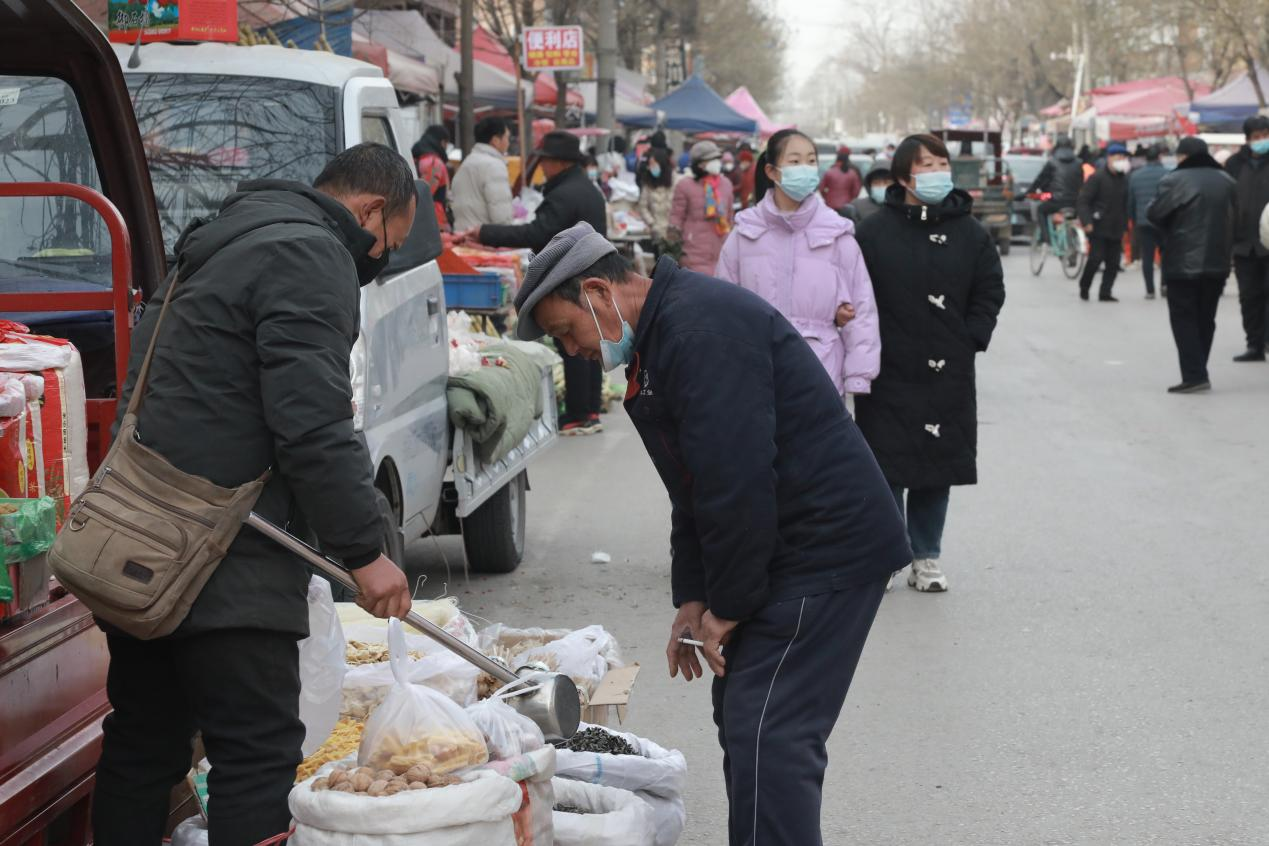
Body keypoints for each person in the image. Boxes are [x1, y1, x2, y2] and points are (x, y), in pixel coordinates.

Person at [510, 221, 911, 846]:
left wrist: (729, 604)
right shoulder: (664, 332)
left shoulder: (699, 330)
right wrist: (694, 597)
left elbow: (736, 481)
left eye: (568, 330)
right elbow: (692, 484)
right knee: (746, 717)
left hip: (825, 545)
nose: (573, 351)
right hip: (785, 539)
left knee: (770, 732)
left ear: (597, 290)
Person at [91, 143, 416, 846]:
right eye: (387, 243)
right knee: (257, 752)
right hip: (227, 550)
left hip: (142, 537)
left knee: (144, 742)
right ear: (371, 210)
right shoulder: (311, 255)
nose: (379, 258)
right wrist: (365, 552)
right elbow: (310, 422)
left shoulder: (220, 244)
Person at [854, 133, 1006, 593]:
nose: (938, 171)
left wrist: (970, 337)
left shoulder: (970, 231)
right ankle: (887, 554)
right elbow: (855, 291)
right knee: (885, 467)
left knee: (936, 467)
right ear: (904, 175)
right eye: (927, 164)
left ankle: (927, 556)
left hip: (947, 367)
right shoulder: (874, 230)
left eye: (942, 163)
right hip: (889, 368)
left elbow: (990, 289)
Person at [716, 128, 879, 399]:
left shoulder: (836, 233)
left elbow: (862, 308)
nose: (805, 168)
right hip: (757, 373)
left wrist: (859, 375)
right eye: (794, 161)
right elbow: (722, 308)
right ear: (771, 171)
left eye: (811, 161)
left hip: (821, 373)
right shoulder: (745, 233)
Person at [463, 130, 607, 435]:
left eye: (545, 162)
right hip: (589, 274)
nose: (542, 167)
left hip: (570, 278)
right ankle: (590, 408)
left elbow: (536, 233)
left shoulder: (564, 195)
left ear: (559, 163)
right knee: (590, 342)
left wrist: (486, 233)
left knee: (575, 344)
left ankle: (581, 413)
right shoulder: (586, 189)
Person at [1147, 136, 1237, 393]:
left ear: (1183, 156)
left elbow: (1155, 213)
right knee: (1206, 318)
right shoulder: (1228, 181)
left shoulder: (1174, 180)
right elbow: (1238, 219)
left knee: (1184, 318)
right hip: (1218, 262)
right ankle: (1200, 369)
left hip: (1182, 262)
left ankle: (1194, 374)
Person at [1230, 115, 1269, 361]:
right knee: (1249, 296)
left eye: (1265, 135)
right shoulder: (1234, 164)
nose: (1262, 140)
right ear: (1247, 139)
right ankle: (1254, 344)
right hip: (1244, 243)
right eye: (1257, 137)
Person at [1076, 142, 1131, 302]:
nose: (1121, 160)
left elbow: (1126, 202)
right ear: (1109, 158)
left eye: (1123, 157)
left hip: (1117, 227)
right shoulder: (1097, 177)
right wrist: (1087, 221)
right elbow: (1083, 201)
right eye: (1118, 157)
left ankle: (1105, 292)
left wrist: (1126, 223)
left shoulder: (1124, 179)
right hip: (1098, 226)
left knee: (1113, 263)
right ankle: (1084, 286)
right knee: (1095, 258)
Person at [668, 141, 734, 273]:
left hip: (722, 250)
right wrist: (674, 245)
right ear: (699, 164)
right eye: (711, 159)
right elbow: (676, 218)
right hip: (693, 253)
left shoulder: (726, 184)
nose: (716, 162)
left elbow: (729, 216)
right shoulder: (684, 185)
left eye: (717, 159)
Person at [449, 116, 514, 232]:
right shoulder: (494, 166)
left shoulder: (466, 164)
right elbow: (501, 217)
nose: (508, 143)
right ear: (495, 141)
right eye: (507, 138)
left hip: (462, 238)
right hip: (484, 241)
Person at [1127, 144, 1168, 298]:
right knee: (1166, 256)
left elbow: (1131, 201)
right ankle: (1164, 285)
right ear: (1159, 157)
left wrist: (1133, 219)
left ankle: (1149, 290)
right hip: (1164, 221)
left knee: (1147, 257)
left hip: (1143, 221)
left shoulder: (1135, 176)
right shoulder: (1168, 174)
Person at [1030, 136, 1084, 243]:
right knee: (1073, 217)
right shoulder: (1079, 163)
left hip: (1056, 200)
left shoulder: (1052, 162)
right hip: (1075, 201)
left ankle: (1046, 238)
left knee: (1041, 210)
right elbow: (1080, 182)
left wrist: (1030, 192)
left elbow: (1040, 180)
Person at [637, 131, 675, 245]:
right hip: (656, 233)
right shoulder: (648, 183)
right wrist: (652, 224)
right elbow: (642, 206)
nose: (651, 167)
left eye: (654, 164)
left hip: (673, 233)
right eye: (650, 164)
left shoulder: (675, 181)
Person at [412, 124, 451, 228]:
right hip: (432, 219)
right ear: (442, 142)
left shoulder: (415, 158)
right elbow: (425, 193)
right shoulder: (434, 163)